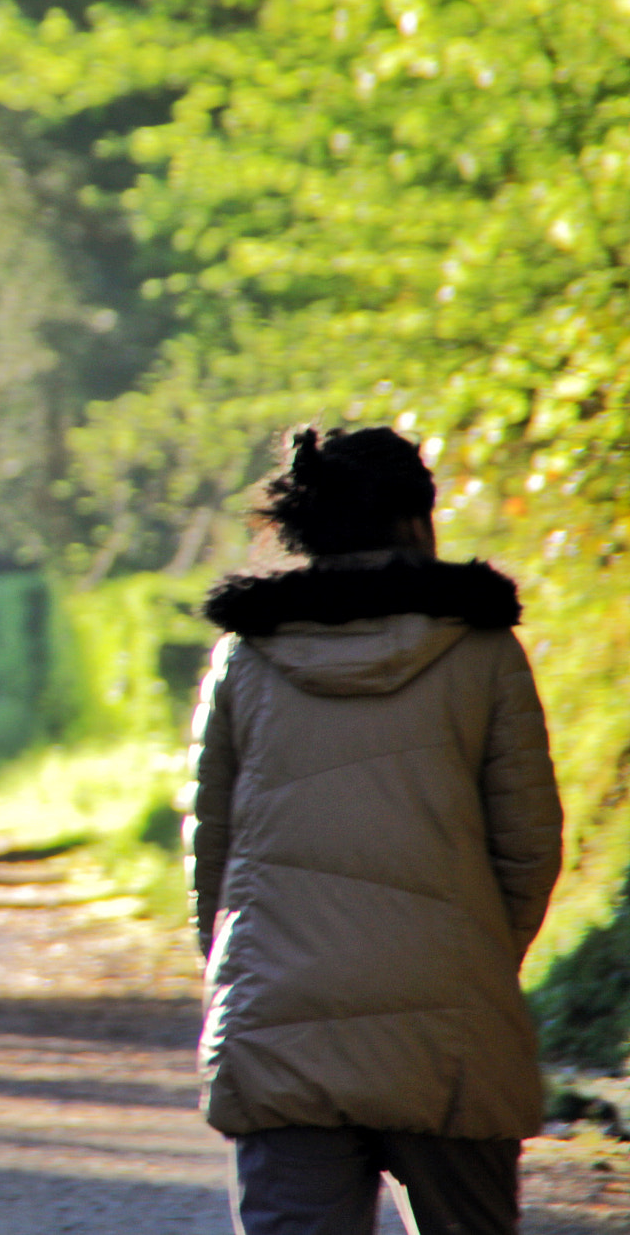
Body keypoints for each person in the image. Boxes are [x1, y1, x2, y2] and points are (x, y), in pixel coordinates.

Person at [187, 425, 563, 1235]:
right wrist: (477, 957)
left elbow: (211, 853)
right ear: (418, 519)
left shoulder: (244, 658)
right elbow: (529, 845)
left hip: (281, 1013)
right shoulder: (483, 650)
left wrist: (244, 969)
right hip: (452, 1020)